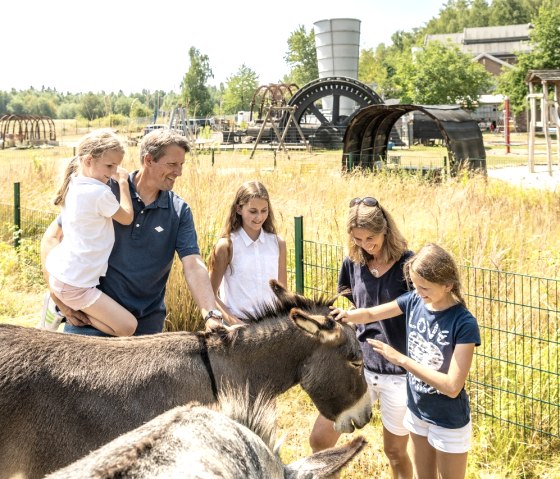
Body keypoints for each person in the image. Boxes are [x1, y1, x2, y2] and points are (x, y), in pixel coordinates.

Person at [40, 128, 223, 336]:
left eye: (181, 165)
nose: (179, 172)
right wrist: (57, 297)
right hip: (88, 324)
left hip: (146, 330)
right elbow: (53, 238)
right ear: (149, 160)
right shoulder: (104, 189)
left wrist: (211, 315)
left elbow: (193, 264)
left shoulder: (179, 211)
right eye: (172, 164)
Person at [332, 243, 481, 479]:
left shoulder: (464, 324)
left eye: (425, 287)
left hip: (448, 421)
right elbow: (372, 313)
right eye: (415, 285)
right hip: (417, 411)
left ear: (448, 285)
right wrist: (347, 315)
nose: (419, 292)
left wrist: (401, 360)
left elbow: (452, 387)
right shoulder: (414, 300)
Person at [309, 196, 414, 479]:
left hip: (398, 372)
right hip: (359, 367)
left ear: (386, 231)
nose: (366, 245)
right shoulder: (352, 262)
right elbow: (352, 306)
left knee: (395, 452)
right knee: (320, 439)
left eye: (371, 238)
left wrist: (364, 314)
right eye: (358, 239)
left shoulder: (409, 265)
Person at [42, 129, 137, 336]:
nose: (113, 172)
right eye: (109, 166)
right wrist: (123, 183)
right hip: (76, 283)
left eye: (116, 167)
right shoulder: (99, 193)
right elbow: (127, 217)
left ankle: (63, 305)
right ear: (88, 160)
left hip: (64, 273)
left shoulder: (74, 181)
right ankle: (62, 310)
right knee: (127, 327)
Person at [207, 180, 287, 325]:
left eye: (264, 210)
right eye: (253, 211)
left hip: (271, 328)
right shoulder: (226, 246)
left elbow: (283, 292)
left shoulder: (278, 244)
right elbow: (209, 293)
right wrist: (234, 322)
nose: (259, 217)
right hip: (237, 330)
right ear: (238, 209)